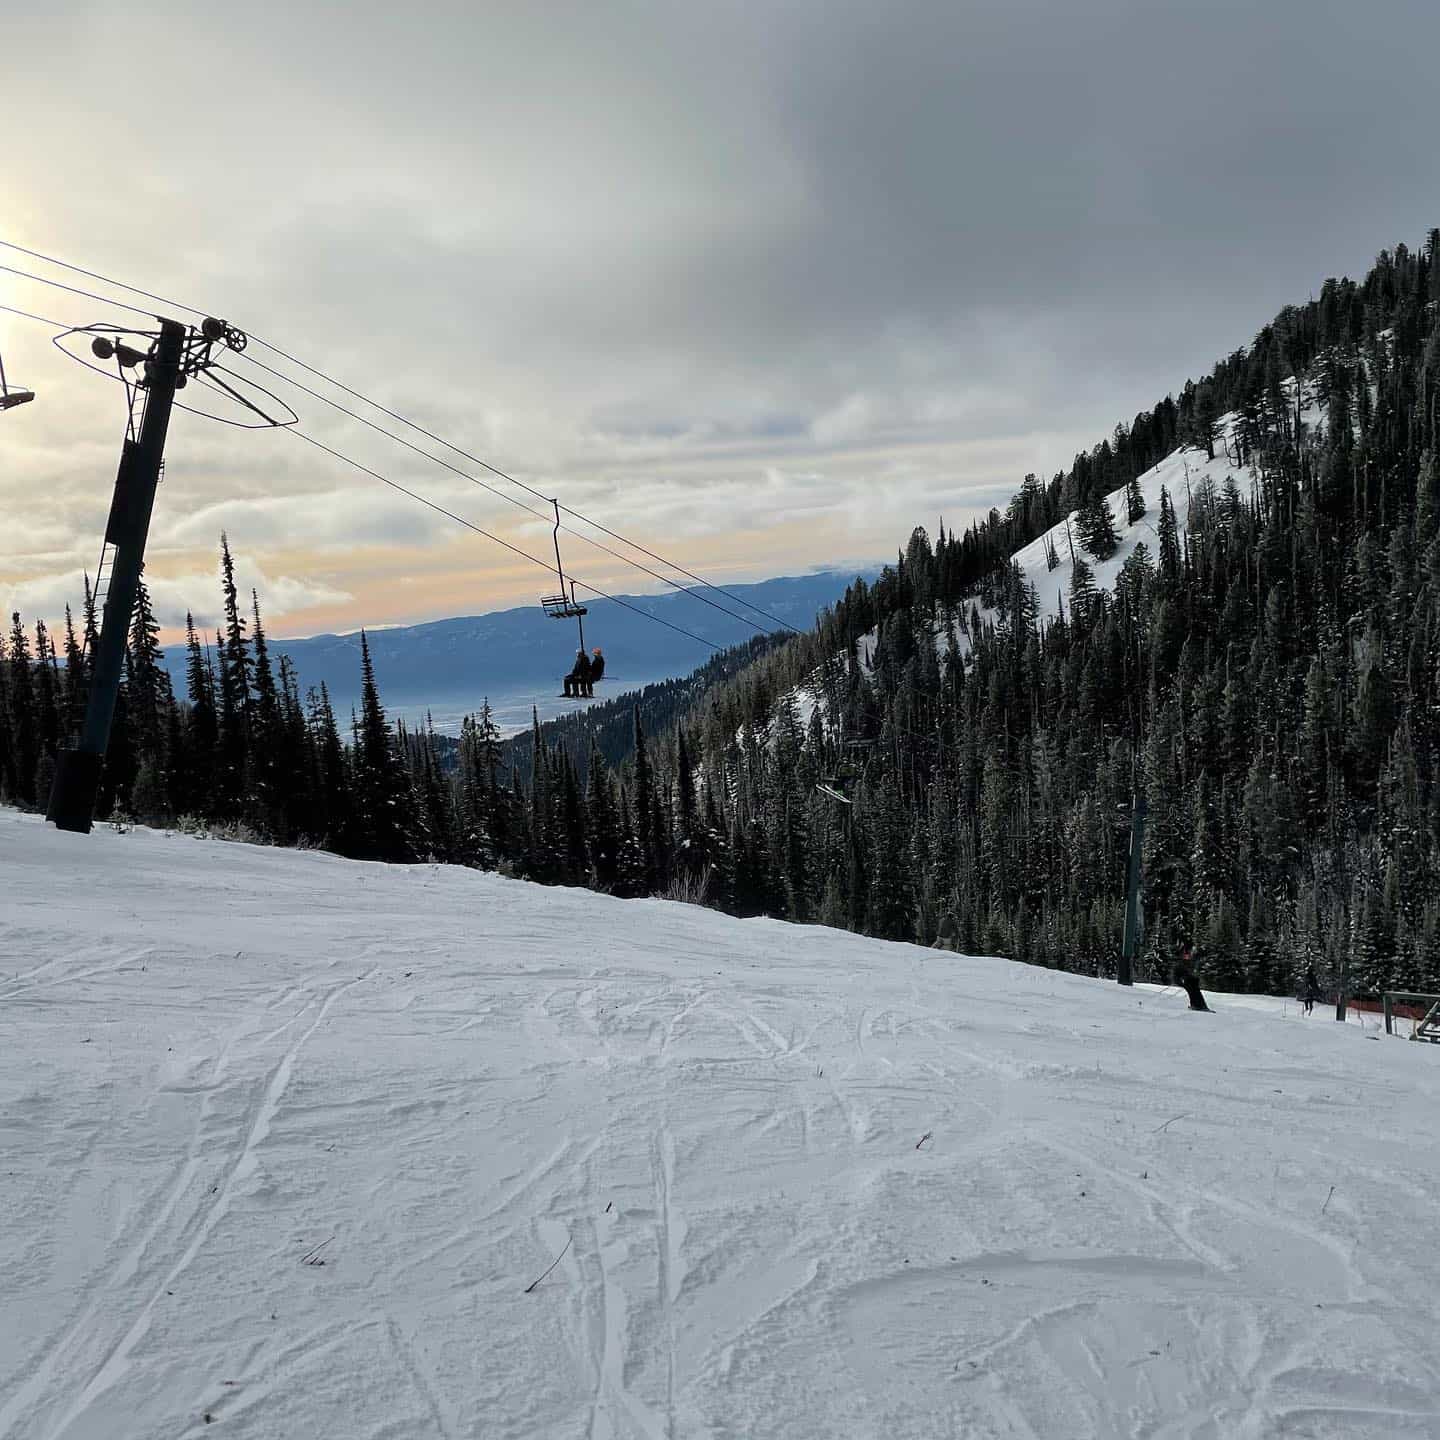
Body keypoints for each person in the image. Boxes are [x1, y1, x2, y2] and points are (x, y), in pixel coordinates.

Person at [1176, 941, 1211, 1012]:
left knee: (1196, 991)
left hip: (1193, 978)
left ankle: (1201, 1006)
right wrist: (1180, 980)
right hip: (1188, 979)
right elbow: (1179, 972)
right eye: (1185, 954)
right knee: (1191, 992)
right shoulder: (1183, 961)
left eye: (1187, 954)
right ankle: (1195, 1005)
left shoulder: (1192, 958)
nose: (1186, 956)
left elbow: (1197, 959)